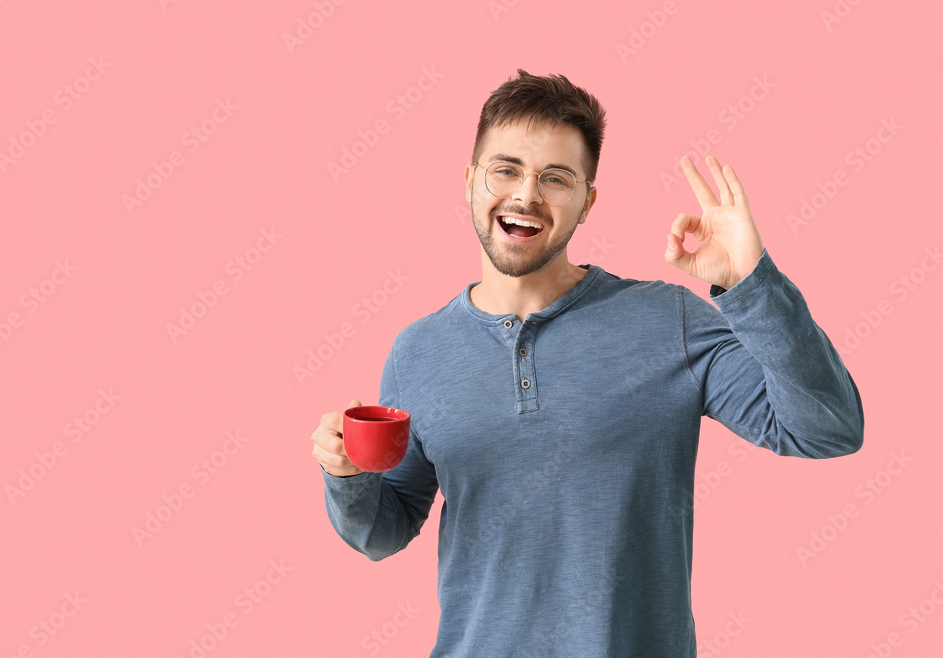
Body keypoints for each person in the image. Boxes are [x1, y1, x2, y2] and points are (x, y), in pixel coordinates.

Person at [311, 69, 863, 657]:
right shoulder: (416, 351)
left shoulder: (667, 320)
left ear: (587, 202)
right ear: (471, 180)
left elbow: (826, 428)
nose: (526, 194)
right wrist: (346, 477)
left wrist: (751, 284)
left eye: (556, 178)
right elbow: (382, 534)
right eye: (506, 169)